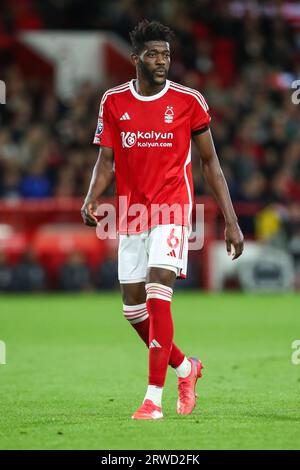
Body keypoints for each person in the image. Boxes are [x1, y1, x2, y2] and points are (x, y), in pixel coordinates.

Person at [81, 20, 244, 420]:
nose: (161, 61)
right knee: (133, 311)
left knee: (158, 291)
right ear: (135, 59)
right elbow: (106, 160)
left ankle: (153, 399)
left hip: (173, 209)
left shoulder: (190, 101)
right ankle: (187, 368)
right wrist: (91, 196)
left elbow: (210, 164)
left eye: (166, 55)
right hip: (132, 212)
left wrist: (231, 220)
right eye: (153, 54)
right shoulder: (113, 102)